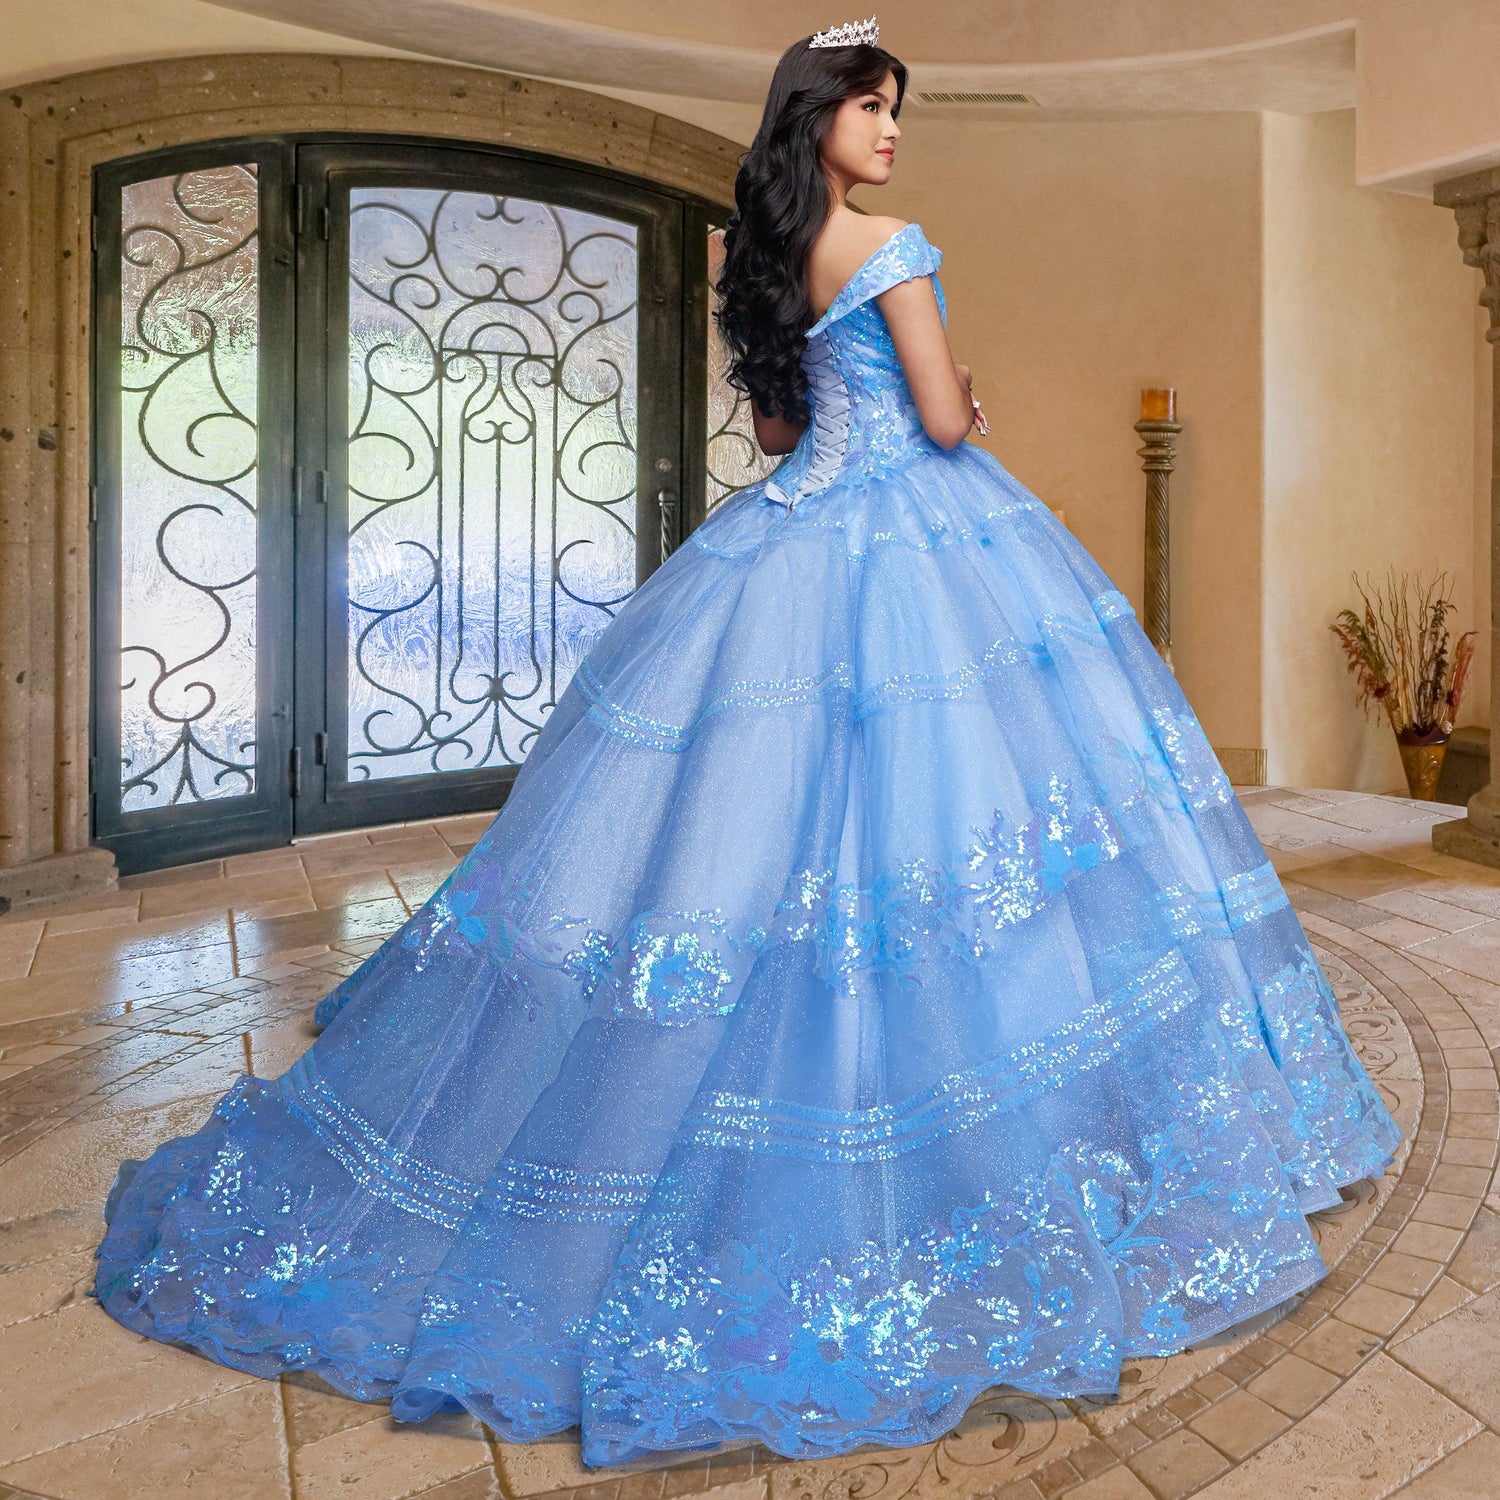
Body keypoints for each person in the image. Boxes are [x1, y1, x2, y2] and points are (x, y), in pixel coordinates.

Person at [94, 17, 1399, 1469]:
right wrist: (969, 407)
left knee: (725, 836)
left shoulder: (758, 257)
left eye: (898, 110)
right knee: (961, 835)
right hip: (917, 542)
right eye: (874, 108)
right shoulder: (894, 248)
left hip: (784, 549)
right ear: (819, 119)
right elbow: (952, 427)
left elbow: (779, 436)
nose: (894, 131)